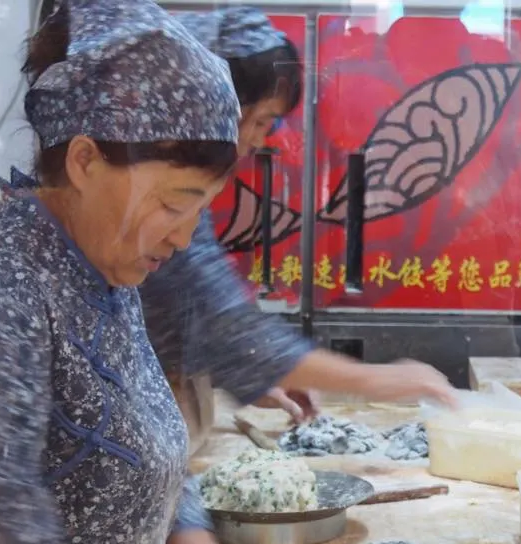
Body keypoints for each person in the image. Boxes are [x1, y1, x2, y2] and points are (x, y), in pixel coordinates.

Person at [0, 0, 282, 544]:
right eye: (174, 202)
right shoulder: (2, 279)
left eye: (198, 209)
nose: (181, 238)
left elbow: (146, 429)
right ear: (84, 160)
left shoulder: (104, 268)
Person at [138, 7, 457, 454]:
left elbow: (193, 316)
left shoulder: (184, 183)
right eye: (263, 120)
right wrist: (377, 380)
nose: (261, 139)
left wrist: (257, 380)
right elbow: (221, 322)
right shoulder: (154, 190)